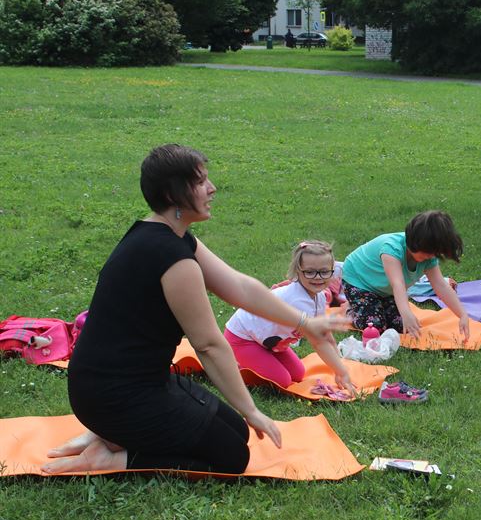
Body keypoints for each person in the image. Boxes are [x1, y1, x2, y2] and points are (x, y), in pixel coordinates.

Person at [42, 145, 349, 475]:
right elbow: (208, 345)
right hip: (113, 394)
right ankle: (112, 453)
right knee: (232, 456)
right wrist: (252, 409)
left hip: (135, 381)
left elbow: (240, 287)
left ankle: (112, 434)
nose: (212, 188)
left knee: (236, 430)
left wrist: (304, 322)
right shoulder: (172, 258)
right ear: (172, 194)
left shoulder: (168, 236)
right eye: (201, 182)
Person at [224, 240, 354, 391]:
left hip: (270, 343)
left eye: (324, 272)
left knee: (298, 375)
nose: (318, 277)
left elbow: (325, 335)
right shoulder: (298, 300)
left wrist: (339, 363)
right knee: (283, 381)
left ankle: (259, 358)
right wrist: (341, 372)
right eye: (310, 272)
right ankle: (230, 368)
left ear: (333, 271)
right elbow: (318, 342)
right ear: (298, 271)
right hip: (242, 338)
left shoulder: (320, 296)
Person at [342, 210, 469, 341]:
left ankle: (374, 304)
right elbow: (398, 284)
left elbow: (441, 285)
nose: (431, 256)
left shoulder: (429, 257)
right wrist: (406, 312)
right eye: (428, 252)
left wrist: (462, 314)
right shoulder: (392, 249)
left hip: (384, 290)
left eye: (435, 253)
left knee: (401, 325)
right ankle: (350, 310)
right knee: (375, 326)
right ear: (415, 242)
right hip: (359, 282)